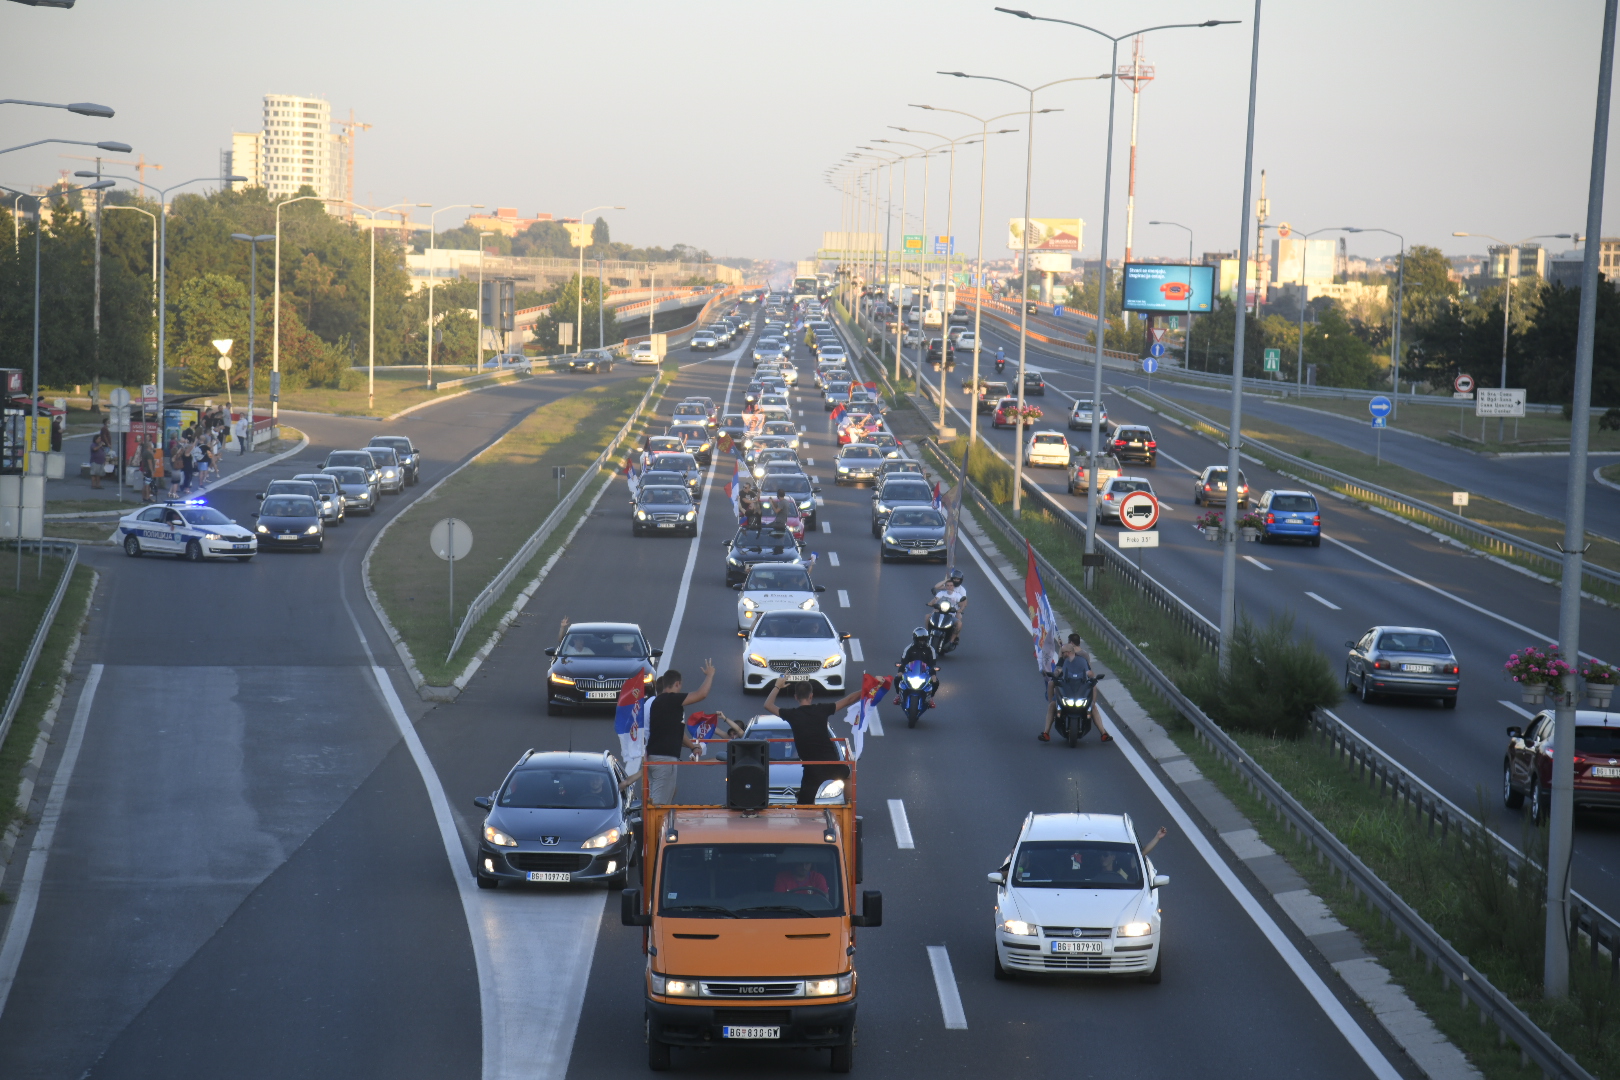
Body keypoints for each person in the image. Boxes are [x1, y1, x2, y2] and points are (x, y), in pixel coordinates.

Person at [763, 677, 864, 804]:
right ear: (811, 695)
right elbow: (849, 699)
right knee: (848, 776)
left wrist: (777, 686)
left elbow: (768, 705)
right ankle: (849, 808)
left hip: (811, 769)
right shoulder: (822, 709)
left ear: (796, 697)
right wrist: (867, 689)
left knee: (805, 804)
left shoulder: (792, 714)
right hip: (831, 763)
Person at [644, 660, 716, 805]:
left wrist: (693, 747)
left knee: (661, 797)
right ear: (677, 684)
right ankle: (652, 821)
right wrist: (710, 675)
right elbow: (701, 694)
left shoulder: (659, 702)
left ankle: (654, 819)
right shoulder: (671, 700)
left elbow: (676, 730)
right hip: (664, 759)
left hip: (656, 756)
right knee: (659, 803)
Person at [1040, 633, 1111, 743]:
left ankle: (1103, 733)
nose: (1062, 654)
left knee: (1092, 706)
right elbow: (1058, 670)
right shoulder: (1063, 660)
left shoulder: (1082, 659)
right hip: (1066, 688)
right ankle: (1046, 733)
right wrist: (1056, 674)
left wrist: (1092, 677)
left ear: (1069, 652)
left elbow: (1089, 671)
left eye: (1064, 652)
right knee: (1052, 705)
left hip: (1079, 688)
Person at [896, 627, 939, 705]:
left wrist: (933, 674)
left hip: (925, 671)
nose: (922, 642)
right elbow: (903, 661)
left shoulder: (931, 649)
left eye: (923, 640)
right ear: (915, 639)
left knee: (936, 682)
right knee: (897, 678)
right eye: (920, 640)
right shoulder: (909, 648)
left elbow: (933, 663)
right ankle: (899, 695)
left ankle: (931, 697)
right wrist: (901, 671)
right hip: (910, 670)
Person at [929, 569, 967, 647]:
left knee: (959, 619)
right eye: (954, 579)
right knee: (929, 616)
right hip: (942, 608)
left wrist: (960, 610)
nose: (950, 587)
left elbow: (964, 602)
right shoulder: (945, 589)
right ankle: (928, 633)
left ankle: (954, 639)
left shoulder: (961, 591)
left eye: (958, 579)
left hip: (953, 610)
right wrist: (946, 580)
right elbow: (937, 587)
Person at [88, 421, 110, 489]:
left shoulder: (101, 445)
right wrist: (100, 445)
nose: (100, 439)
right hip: (95, 462)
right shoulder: (93, 445)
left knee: (99, 475)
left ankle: (98, 485)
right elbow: (94, 449)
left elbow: (103, 452)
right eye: (99, 438)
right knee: (94, 474)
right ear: (96, 439)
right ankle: (93, 485)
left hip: (101, 462)